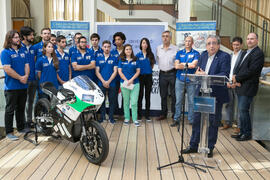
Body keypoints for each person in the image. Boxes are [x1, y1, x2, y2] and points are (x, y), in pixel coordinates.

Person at [182, 35, 230, 158]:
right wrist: (198, 73)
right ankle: (193, 145)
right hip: (202, 92)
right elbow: (199, 71)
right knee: (197, 120)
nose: (211, 46)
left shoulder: (224, 56)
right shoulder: (203, 55)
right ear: (206, 45)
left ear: (218, 45)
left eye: (214, 43)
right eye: (209, 43)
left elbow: (224, 74)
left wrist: (206, 74)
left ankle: (209, 147)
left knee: (213, 122)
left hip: (215, 95)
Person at [231, 33, 264, 141]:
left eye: (252, 39)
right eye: (248, 38)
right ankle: (242, 132)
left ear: (257, 41)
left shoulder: (258, 53)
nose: (249, 41)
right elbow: (239, 66)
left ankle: (247, 133)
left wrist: (238, 78)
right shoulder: (245, 52)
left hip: (248, 86)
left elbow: (252, 71)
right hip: (241, 85)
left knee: (243, 110)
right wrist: (235, 77)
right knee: (241, 111)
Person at [1, 30, 29, 140]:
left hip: (23, 86)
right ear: (9, 39)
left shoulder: (22, 50)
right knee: (10, 110)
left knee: (21, 108)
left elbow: (27, 65)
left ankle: (21, 127)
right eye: (15, 37)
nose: (18, 39)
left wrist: (26, 75)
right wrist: (20, 78)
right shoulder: (5, 52)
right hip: (11, 87)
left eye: (18, 37)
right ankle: (9, 132)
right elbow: (7, 69)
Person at [170, 36, 199, 127]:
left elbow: (193, 65)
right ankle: (176, 119)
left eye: (189, 41)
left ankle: (191, 120)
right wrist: (187, 65)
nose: (188, 43)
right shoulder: (179, 53)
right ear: (184, 42)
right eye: (186, 41)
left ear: (192, 42)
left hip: (191, 80)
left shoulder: (196, 53)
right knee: (178, 101)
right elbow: (176, 66)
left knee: (191, 101)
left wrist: (183, 64)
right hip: (180, 80)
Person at [222, 37, 243, 131]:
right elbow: (227, 69)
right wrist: (227, 81)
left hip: (238, 83)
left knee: (239, 106)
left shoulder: (243, 56)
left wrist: (237, 81)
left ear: (241, 45)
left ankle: (239, 125)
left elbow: (243, 71)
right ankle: (228, 122)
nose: (235, 46)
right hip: (229, 82)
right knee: (228, 104)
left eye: (237, 45)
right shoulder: (230, 55)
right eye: (234, 45)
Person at [156, 30, 178, 120]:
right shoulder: (158, 48)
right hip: (162, 74)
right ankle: (163, 114)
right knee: (163, 94)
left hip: (172, 73)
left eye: (167, 36)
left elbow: (178, 61)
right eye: (163, 36)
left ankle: (174, 114)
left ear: (170, 38)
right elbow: (158, 59)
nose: (165, 38)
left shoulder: (175, 49)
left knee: (173, 95)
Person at [95, 40, 118, 124]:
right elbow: (97, 71)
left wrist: (108, 81)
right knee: (102, 101)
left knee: (112, 101)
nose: (107, 48)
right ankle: (102, 117)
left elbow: (115, 71)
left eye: (108, 47)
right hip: (101, 83)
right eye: (105, 47)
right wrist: (103, 81)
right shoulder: (98, 58)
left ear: (110, 48)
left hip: (112, 83)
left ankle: (111, 118)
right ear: (102, 48)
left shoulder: (114, 58)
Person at [118, 44, 141, 126]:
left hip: (135, 84)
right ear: (124, 50)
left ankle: (135, 119)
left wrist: (131, 80)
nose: (128, 51)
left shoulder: (136, 59)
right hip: (124, 83)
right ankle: (127, 118)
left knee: (134, 102)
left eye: (130, 49)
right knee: (126, 102)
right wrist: (126, 80)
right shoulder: (121, 60)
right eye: (127, 49)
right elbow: (120, 71)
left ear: (132, 50)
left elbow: (138, 71)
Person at [20, 26, 37, 129]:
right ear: (24, 36)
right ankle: (22, 123)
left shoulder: (33, 48)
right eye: (30, 35)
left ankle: (29, 121)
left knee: (31, 101)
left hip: (33, 79)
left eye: (32, 34)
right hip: (23, 80)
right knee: (22, 103)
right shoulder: (19, 48)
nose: (32, 36)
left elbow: (34, 61)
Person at [136, 38, 155, 121]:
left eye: (146, 43)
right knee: (140, 96)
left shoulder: (151, 55)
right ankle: (139, 115)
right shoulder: (137, 55)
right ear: (141, 44)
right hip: (140, 77)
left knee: (148, 96)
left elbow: (152, 66)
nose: (145, 45)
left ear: (148, 45)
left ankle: (147, 115)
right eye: (143, 43)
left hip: (148, 77)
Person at [111, 32, 126, 116]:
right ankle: (116, 113)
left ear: (123, 40)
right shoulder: (112, 52)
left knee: (125, 96)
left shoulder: (127, 51)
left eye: (119, 39)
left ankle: (124, 113)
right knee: (114, 96)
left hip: (124, 78)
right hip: (114, 78)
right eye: (115, 40)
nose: (117, 41)